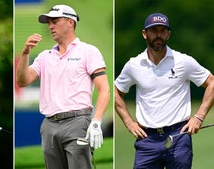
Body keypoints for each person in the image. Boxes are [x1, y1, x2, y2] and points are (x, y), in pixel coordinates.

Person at [16, 4, 110, 169]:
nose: (50, 26)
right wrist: (25, 53)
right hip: (49, 125)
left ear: (70, 22)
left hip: (77, 122)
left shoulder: (88, 51)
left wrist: (96, 122)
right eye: (49, 22)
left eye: (55, 21)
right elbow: (22, 81)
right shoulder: (45, 57)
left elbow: (105, 90)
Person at [115, 12, 214, 169]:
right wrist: (128, 122)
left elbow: (211, 82)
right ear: (144, 34)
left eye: (162, 30)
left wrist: (199, 117)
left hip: (179, 136)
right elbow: (115, 91)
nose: (158, 35)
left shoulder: (183, 61)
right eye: (153, 31)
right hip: (147, 140)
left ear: (168, 34)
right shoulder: (133, 65)